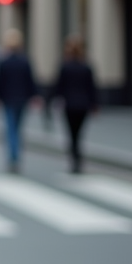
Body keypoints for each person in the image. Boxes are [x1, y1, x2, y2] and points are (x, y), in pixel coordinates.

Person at [0, 27, 38, 174]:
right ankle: (16, 156)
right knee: (18, 129)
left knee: (10, 129)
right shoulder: (25, 61)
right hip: (22, 99)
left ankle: (13, 157)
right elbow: (31, 81)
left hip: (8, 99)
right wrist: (34, 96)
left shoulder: (4, 62)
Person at [50, 35, 98, 174]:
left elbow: (58, 86)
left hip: (69, 105)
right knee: (79, 134)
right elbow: (92, 88)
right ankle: (78, 159)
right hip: (83, 106)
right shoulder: (86, 66)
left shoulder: (65, 66)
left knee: (71, 134)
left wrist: (52, 101)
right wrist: (94, 104)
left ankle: (74, 160)